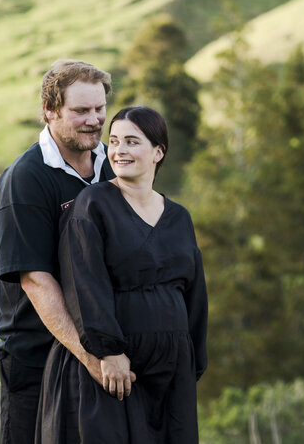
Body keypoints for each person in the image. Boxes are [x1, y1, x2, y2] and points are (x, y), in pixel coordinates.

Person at [36, 106, 208, 444]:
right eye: (113, 141)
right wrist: (108, 352)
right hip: (117, 374)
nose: (119, 151)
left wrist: (192, 358)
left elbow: (194, 293)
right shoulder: (93, 204)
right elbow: (84, 281)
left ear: (158, 152)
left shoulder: (179, 217)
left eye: (132, 142)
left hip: (170, 373)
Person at [0, 59, 121, 444]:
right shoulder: (25, 179)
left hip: (103, 349)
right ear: (50, 110)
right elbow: (35, 279)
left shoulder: (112, 165)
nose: (94, 120)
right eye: (81, 111)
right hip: (36, 356)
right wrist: (91, 360)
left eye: (100, 109)